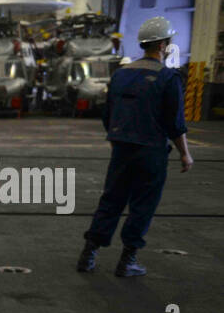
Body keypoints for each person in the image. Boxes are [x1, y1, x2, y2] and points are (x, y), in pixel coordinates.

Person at [77, 16, 192, 277]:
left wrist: (119, 139)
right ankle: (127, 260)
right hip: (151, 150)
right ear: (163, 44)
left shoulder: (120, 75)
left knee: (111, 200)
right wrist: (185, 154)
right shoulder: (167, 78)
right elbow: (175, 123)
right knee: (143, 205)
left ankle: (89, 254)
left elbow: (108, 116)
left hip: (122, 148)